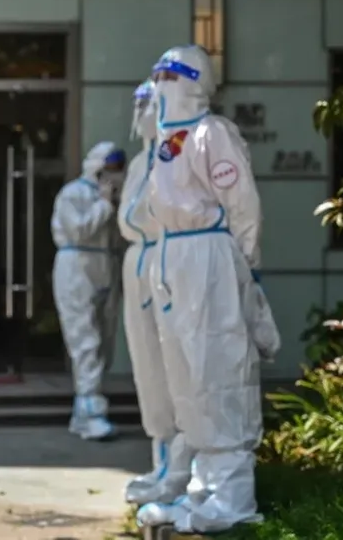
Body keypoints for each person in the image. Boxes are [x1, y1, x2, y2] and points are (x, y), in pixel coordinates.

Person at [136, 45, 280, 534]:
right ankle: (202, 489)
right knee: (185, 376)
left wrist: (245, 264)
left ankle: (232, 495)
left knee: (217, 367)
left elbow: (242, 204)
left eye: (167, 74)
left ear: (191, 81)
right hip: (172, 255)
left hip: (208, 257)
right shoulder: (165, 139)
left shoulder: (210, 133)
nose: (159, 84)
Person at [119, 81, 194, 505]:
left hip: (163, 258)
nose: (141, 112)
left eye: (148, 103)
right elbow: (128, 218)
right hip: (139, 260)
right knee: (147, 364)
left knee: (173, 365)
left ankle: (182, 464)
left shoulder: (176, 151)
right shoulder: (138, 162)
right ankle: (161, 459)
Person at [50, 141, 126, 440]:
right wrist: (104, 205)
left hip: (105, 266)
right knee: (85, 340)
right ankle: (92, 411)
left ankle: (85, 408)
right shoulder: (74, 194)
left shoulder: (111, 198)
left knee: (104, 342)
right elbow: (79, 229)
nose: (115, 175)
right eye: (110, 168)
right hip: (76, 265)